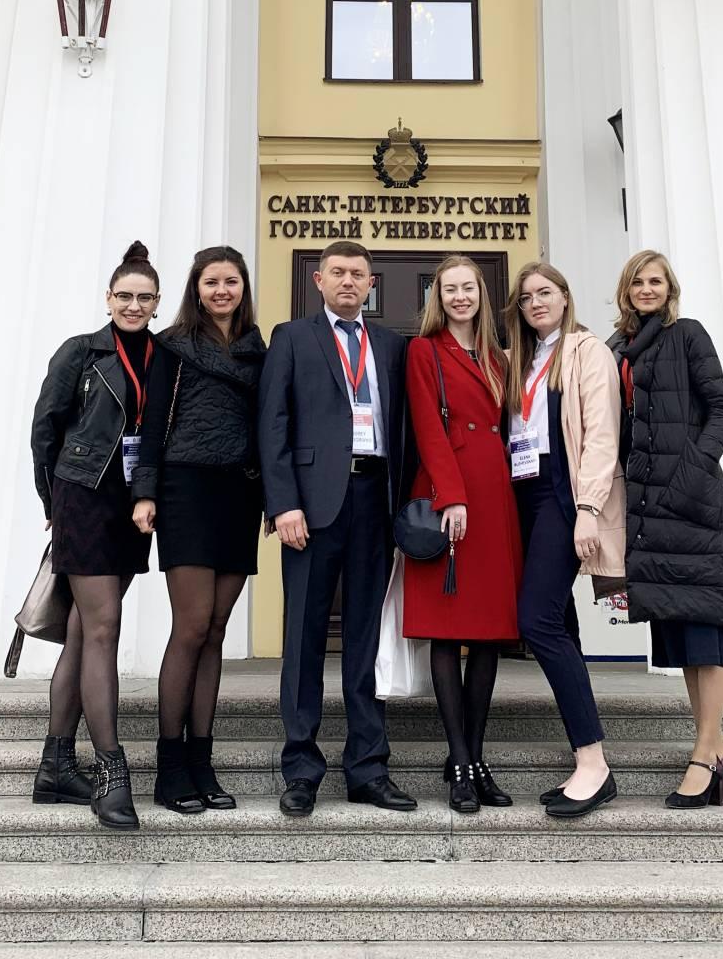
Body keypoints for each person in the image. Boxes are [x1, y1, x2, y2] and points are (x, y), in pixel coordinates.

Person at [257, 239, 414, 817]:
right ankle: (301, 768)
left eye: (359, 274)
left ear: (371, 285)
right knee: (303, 637)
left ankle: (368, 768)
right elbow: (273, 425)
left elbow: (406, 431)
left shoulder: (393, 346)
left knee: (366, 639)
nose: (349, 282)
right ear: (318, 280)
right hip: (311, 507)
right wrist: (284, 505)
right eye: (339, 273)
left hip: (375, 500)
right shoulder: (292, 339)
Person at [131, 247, 267, 814]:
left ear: (242, 288)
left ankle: (202, 760)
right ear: (196, 287)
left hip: (239, 492)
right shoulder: (171, 347)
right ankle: (170, 765)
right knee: (189, 627)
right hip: (186, 489)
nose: (221, 291)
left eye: (231, 281)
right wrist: (144, 491)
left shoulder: (259, 351)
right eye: (211, 282)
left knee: (216, 629)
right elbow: (151, 420)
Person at [29, 241, 159, 831]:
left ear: (157, 304)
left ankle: (56, 765)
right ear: (108, 298)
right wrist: (53, 504)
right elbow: (45, 429)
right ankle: (111, 769)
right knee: (104, 627)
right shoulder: (81, 352)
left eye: (144, 297)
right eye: (124, 296)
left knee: (84, 631)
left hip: (132, 507)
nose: (133, 305)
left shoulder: (165, 356)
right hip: (82, 497)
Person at [609, 249, 723, 809]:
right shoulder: (615, 348)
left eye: (655, 280)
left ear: (670, 288)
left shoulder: (687, 335)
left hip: (687, 502)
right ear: (625, 288)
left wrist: (693, 471)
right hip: (644, 509)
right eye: (638, 280)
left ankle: (705, 753)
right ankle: (718, 751)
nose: (646, 288)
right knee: (681, 631)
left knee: (704, 621)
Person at [505, 261, 625, 821]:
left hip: (561, 493)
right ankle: (586, 757)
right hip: (521, 496)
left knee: (538, 622)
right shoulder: (520, 361)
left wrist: (587, 509)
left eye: (544, 293)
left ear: (564, 297)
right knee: (561, 623)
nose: (535, 303)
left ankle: (594, 763)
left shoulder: (585, 351)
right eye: (526, 297)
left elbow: (601, 436)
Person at [403, 255, 522, 814]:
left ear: (481, 293)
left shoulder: (500, 357)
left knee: (490, 633)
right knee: (449, 632)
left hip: (497, 500)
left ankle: (474, 758)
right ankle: (457, 761)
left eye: (467, 288)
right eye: (448, 289)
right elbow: (428, 425)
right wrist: (450, 496)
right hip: (452, 494)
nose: (459, 297)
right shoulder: (424, 351)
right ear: (437, 296)